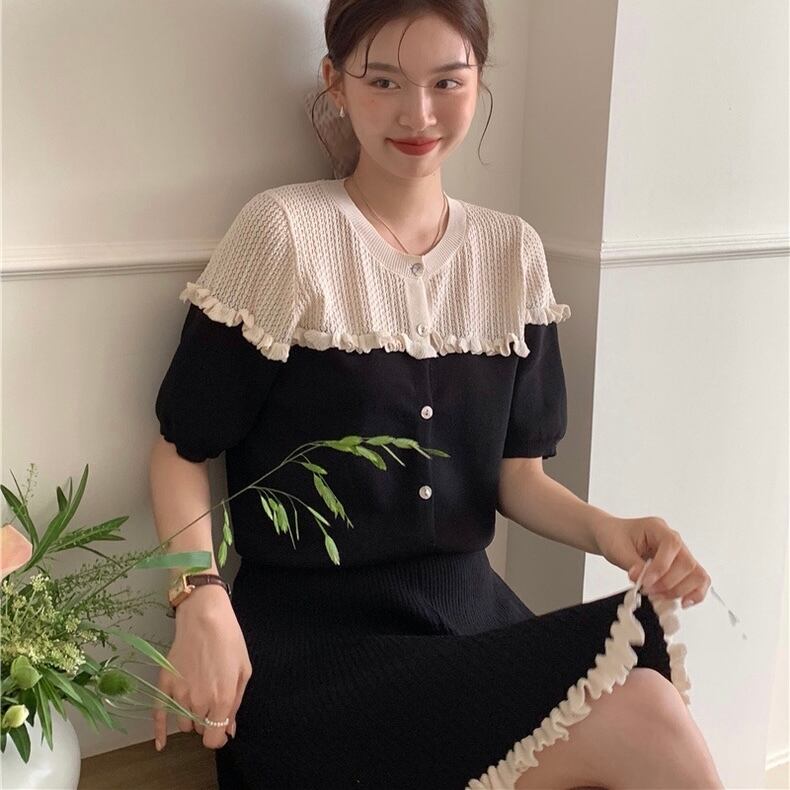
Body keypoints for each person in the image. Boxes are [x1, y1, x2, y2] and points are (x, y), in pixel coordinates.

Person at [148, 2, 725, 788]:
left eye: (446, 82)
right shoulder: (283, 233)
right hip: (315, 655)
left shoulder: (511, 253)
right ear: (336, 84)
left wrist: (611, 532)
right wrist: (199, 598)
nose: (417, 115)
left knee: (639, 684)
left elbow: (516, 479)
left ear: (478, 80)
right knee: (644, 711)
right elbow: (182, 447)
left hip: (469, 626)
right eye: (384, 81)